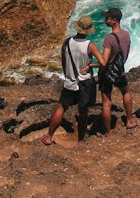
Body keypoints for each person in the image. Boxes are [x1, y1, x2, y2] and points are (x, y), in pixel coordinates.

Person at [42, 14, 103, 144]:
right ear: (88, 30)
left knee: (62, 107)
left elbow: (64, 61)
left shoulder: (67, 42)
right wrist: (91, 65)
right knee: (83, 111)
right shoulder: (90, 45)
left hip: (70, 81)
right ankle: (81, 139)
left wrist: (68, 75)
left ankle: (48, 136)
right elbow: (103, 62)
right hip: (85, 83)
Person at [99, 6, 139, 134]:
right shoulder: (126, 34)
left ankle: (106, 132)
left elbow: (104, 61)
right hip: (120, 69)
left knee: (106, 102)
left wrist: (92, 65)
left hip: (107, 73)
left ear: (114, 20)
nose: (105, 20)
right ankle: (129, 120)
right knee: (125, 92)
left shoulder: (109, 39)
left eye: (108, 18)